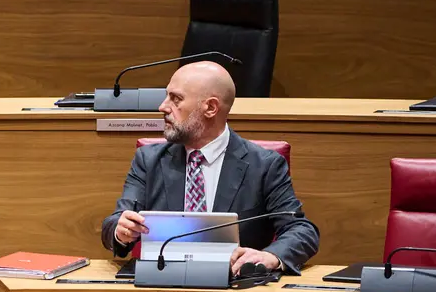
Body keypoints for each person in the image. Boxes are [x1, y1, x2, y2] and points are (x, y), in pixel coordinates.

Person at [102, 61, 318, 275]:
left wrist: (271, 256)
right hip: (161, 281)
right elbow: (116, 221)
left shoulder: (264, 165)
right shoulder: (149, 161)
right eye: (167, 96)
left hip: (234, 286)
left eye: (176, 99)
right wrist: (120, 231)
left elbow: (301, 230)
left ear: (211, 108)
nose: (163, 106)